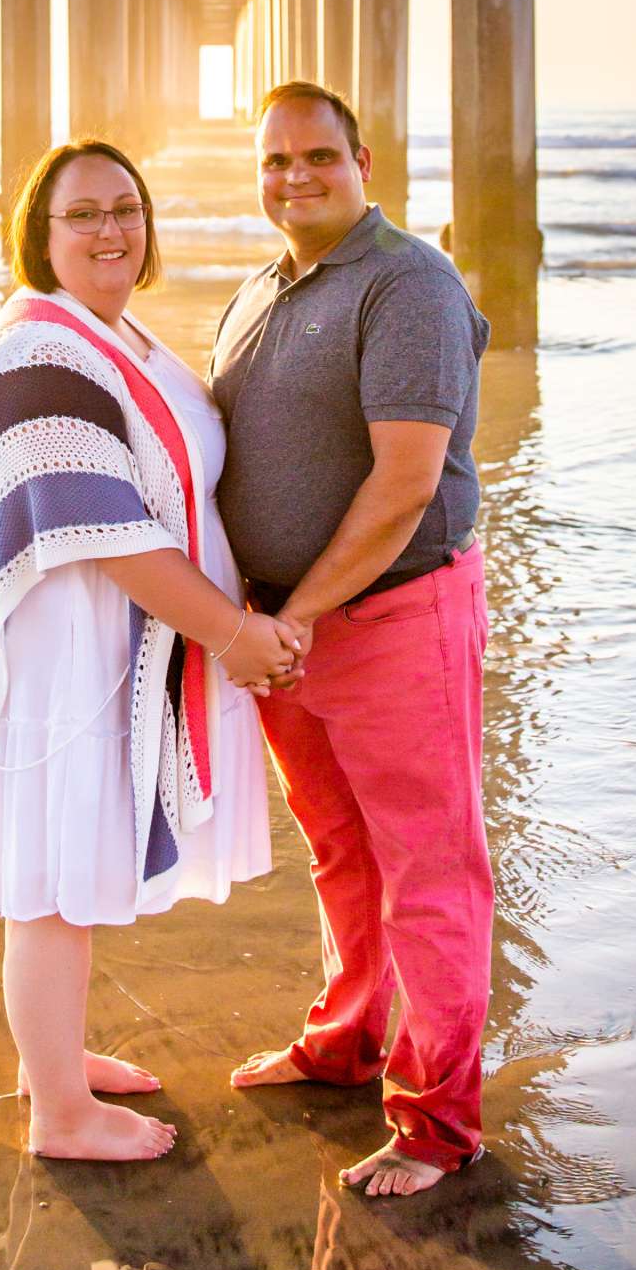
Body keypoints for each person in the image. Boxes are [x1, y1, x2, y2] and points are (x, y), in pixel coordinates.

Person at [0, 138, 302, 1164]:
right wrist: (233, 634)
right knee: (56, 876)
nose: (110, 229)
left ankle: (51, 1056)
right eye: (83, 216)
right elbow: (105, 530)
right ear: (38, 236)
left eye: (124, 209)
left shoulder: (118, 335)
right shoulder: (37, 356)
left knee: (78, 857)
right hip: (67, 656)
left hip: (110, 650)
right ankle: (60, 1115)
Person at [210, 82, 494, 1198]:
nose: (294, 178)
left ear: (363, 162)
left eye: (317, 157)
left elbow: (402, 485)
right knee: (341, 851)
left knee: (428, 868)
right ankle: (347, 1038)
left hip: (388, 618)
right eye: (275, 161)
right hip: (286, 627)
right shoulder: (261, 288)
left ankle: (435, 1123)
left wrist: (291, 619)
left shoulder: (406, 282)